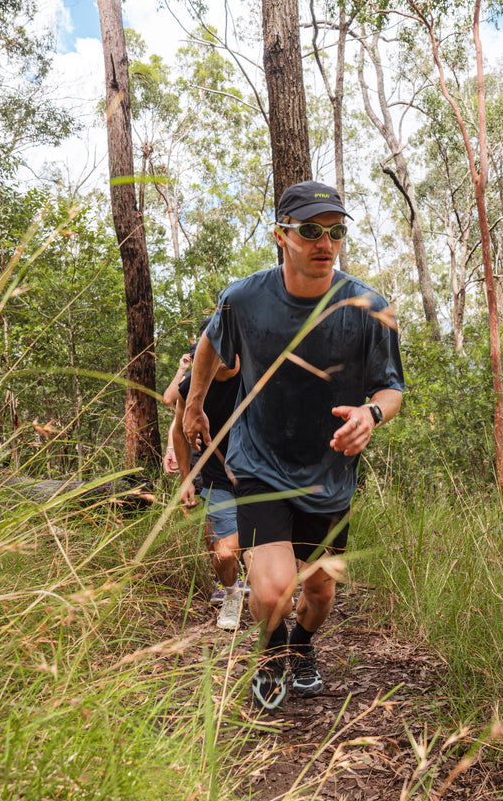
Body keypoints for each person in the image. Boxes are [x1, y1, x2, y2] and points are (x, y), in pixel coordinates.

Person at [183, 180, 404, 712]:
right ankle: (271, 652)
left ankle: (300, 646)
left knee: (320, 593)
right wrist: (193, 405)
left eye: (335, 232)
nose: (324, 242)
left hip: (329, 472)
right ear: (281, 236)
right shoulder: (244, 299)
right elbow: (212, 342)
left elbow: (392, 388)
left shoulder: (368, 307)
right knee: (273, 590)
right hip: (258, 462)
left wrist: (370, 414)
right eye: (310, 231)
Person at [172, 356, 244, 630]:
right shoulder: (193, 385)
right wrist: (186, 478)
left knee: (257, 552)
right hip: (218, 479)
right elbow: (180, 429)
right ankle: (231, 595)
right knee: (225, 554)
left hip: (261, 478)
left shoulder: (256, 373)